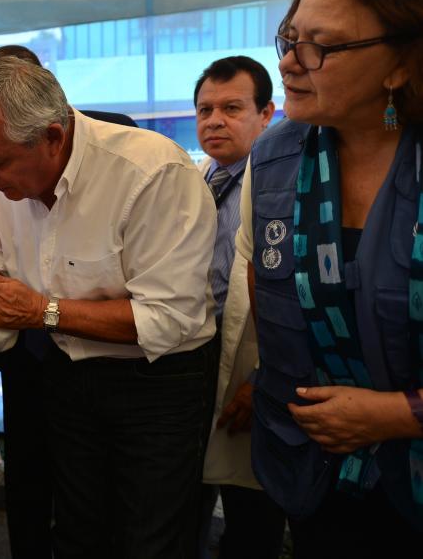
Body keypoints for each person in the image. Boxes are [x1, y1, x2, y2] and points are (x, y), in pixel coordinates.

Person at [0, 56, 218, 559]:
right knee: (78, 532)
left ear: (51, 136)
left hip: (157, 384)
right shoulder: (6, 179)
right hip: (65, 373)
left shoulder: (151, 172)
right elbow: (2, 265)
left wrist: (40, 311)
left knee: (149, 539)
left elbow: (169, 319)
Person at [236, 0, 423, 555]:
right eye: (290, 39)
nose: (290, 62)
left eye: (323, 47)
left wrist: (399, 414)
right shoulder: (278, 153)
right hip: (314, 476)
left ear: (402, 62)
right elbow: (268, 298)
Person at [192, 56, 285, 559]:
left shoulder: (280, 185)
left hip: (257, 373)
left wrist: (265, 376)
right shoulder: (198, 179)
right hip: (199, 362)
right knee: (190, 507)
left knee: (252, 521)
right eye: (205, 109)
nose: (214, 120)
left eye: (232, 108)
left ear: (266, 113)